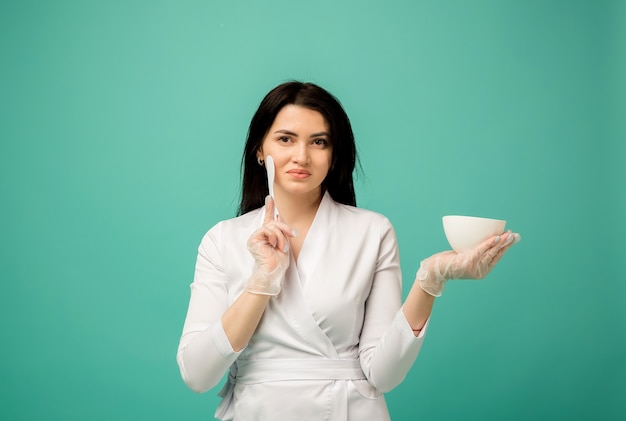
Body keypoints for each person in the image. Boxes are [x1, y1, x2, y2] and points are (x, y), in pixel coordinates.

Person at [176, 81, 520, 420]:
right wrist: (261, 282)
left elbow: (384, 374)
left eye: (319, 142)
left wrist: (430, 280)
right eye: (285, 139)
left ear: (334, 154)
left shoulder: (372, 232)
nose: (301, 156)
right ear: (259, 150)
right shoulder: (221, 240)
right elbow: (197, 373)